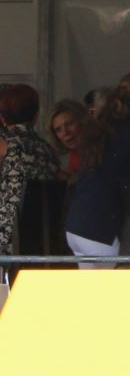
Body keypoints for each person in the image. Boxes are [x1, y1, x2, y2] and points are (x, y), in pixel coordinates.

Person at [65, 71, 130, 267]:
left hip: (78, 225)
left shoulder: (101, 126)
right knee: (117, 293)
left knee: (93, 295)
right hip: (105, 228)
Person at [0, 84, 60, 255]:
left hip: (6, 231)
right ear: (36, 116)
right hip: (39, 232)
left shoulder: (4, 144)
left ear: (2, 117)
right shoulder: (47, 148)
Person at [48, 99, 93, 181]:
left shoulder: (100, 149)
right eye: (58, 129)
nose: (65, 132)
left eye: (69, 124)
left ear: (83, 121)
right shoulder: (75, 153)